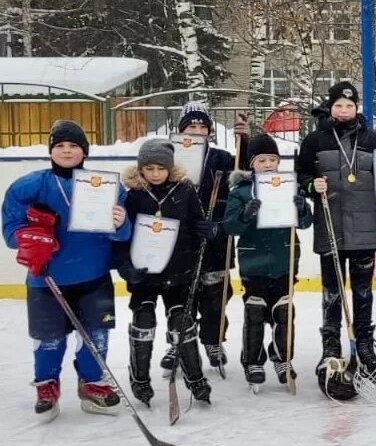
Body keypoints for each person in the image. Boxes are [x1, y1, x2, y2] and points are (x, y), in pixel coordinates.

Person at [2, 120, 131, 420]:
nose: (66, 150)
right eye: (60, 145)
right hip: (46, 278)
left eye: (73, 145)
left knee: (96, 334)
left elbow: (123, 235)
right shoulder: (29, 186)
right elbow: (10, 232)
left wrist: (119, 222)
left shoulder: (108, 186)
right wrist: (27, 236)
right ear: (51, 151)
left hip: (94, 276)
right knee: (48, 337)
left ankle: (92, 384)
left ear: (84, 151)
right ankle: (47, 385)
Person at [295, 80, 376, 399]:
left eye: (349, 106)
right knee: (332, 295)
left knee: (363, 293)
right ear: (330, 107)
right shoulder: (314, 140)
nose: (344, 110)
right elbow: (301, 177)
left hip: (364, 229)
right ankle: (331, 347)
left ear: (356, 108)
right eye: (338, 105)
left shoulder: (373, 139)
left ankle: (364, 345)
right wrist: (310, 187)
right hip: (330, 226)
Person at [120, 139, 220, 405]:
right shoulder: (131, 194)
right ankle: (140, 379)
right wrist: (126, 267)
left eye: (160, 168)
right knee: (143, 322)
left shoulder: (184, 190)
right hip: (145, 274)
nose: (155, 173)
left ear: (170, 167)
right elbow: (122, 235)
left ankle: (195, 378)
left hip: (179, 271)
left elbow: (198, 221)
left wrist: (207, 230)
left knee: (182, 324)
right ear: (140, 169)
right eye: (149, 168)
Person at [224, 133, 314, 389]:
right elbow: (230, 227)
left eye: (272, 159)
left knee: (284, 312)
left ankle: (282, 358)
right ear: (251, 163)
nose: (267, 164)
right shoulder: (241, 192)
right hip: (254, 263)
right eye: (261, 160)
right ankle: (252, 361)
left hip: (284, 260)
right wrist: (245, 214)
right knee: (255, 311)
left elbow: (306, 224)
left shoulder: (289, 186)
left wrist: (303, 208)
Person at [166, 101, 248, 375]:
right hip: (181, 242)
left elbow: (244, 181)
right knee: (181, 296)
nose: (198, 131)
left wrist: (244, 142)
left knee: (216, 295)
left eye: (203, 126)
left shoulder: (222, 159)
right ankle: (177, 341)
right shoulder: (169, 158)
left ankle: (213, 340)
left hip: (216, 238)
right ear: (181, 129)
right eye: (192, 126)